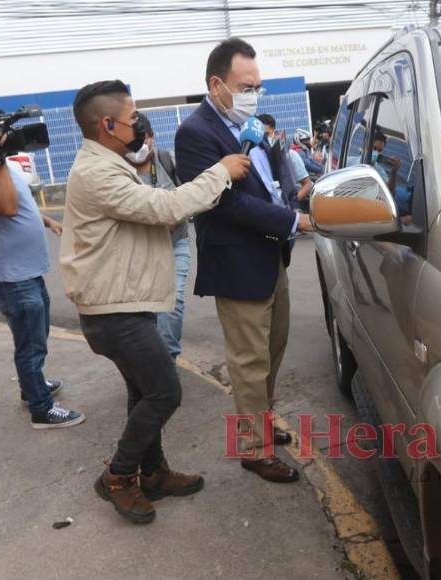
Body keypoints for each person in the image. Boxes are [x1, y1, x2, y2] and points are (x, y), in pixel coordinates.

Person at [61, 80, 250, 524]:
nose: (139, 123)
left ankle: (153, 472)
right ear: (108, 124)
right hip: (114, 314)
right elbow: (167, 208)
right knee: (165, 391)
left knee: (143, 391)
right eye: (132, 117)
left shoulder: (111, 163)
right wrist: (220, 171)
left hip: (124, 304)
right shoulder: (97, 173)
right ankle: (118, 476)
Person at [175, 38, 313, 484]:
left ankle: (263, 420)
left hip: (271, 256)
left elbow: (272, 186)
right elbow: (225, 205)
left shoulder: (249, 124)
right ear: (217, 85)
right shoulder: (195, 133)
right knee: (249, 362)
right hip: (238, 266)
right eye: (245, 85)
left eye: (258, 86)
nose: (253, 94)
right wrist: (294, 220)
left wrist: (289, 208)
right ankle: (254, 450)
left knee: (272, 352)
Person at [0, 106, 84, 430]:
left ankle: (31, 389)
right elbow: (6, 205)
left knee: (34, 339)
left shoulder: (1, 169)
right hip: (11, 277)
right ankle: (41, 410)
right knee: (30, 346)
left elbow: (20, 206)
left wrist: (43, 220)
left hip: (26, 273)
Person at [127, 116, 189, 361]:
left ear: (151, 137)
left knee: (173, 303)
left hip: (175, 243)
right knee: (146, 310)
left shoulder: (166, 160)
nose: (139, 147)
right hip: (140, 251)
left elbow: (188, 196)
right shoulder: (120, 171)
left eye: (143, 138)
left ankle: (168, 360)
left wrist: (174, 215)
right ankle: (151, 360)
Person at [257, 113, 312, 210]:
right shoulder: (257, 160)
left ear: (275, 132)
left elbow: (307, 184)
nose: (265, 139)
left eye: (267, 134)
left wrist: (291, 202)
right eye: (261, 136)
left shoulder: (290, 155)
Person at [371, 131, 413, 225]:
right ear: (367, 144)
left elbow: (390, 193)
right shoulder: (351, 162)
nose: (376, 152)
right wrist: (401, 221)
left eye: (379, 150)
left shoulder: (380, 171)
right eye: (374, 148)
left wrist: (394, 171)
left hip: (408, 199)